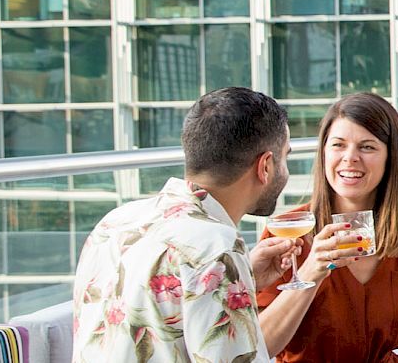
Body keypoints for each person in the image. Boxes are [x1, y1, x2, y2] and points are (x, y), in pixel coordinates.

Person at [71, 87, 299, 362]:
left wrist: (244, 276)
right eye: (285, 156)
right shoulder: (216, 247)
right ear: (265, 166)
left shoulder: (115, 222)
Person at [256, 93, 398, 362]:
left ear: (390, 158)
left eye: (367, 147)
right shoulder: (287, 234)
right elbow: (259, 346)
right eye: (338, 145)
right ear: (324, 152)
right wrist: (311, 271)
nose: (350, 158)